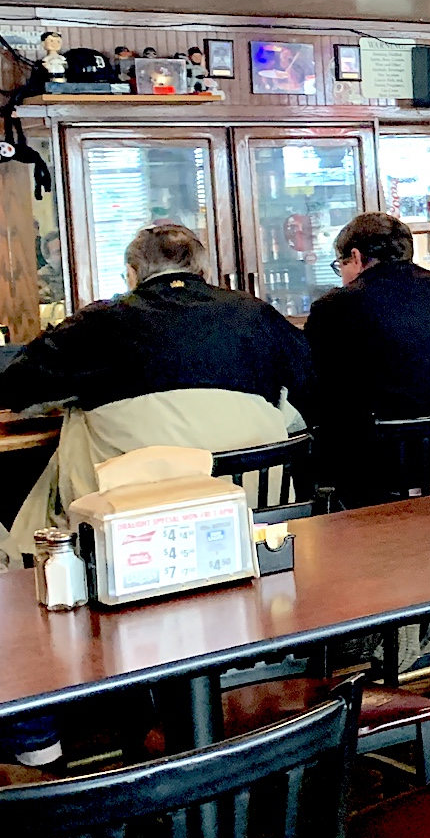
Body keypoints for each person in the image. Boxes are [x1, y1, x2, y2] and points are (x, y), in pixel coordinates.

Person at [0, 223, 315, 767]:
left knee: (19, 559)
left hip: (134, 545)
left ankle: (36, 734)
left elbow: (16, 387)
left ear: (131, 273)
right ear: (202, 271)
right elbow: (310, 384)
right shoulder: (256, 315)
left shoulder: (102, 322)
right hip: (249, 526)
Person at [306, 211, 430, 441]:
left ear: (356, 256)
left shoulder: (336, 306)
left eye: (341, 266)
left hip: (389, 455)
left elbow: (318, 388)